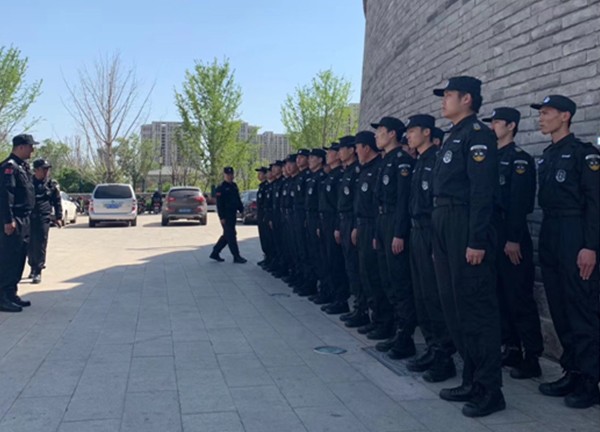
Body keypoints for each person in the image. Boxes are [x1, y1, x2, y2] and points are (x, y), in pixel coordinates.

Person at [431, 76, 504, 417]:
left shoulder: (478, 135)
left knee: (476, 308)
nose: (443, 100)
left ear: (467, 99)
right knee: (454, 306)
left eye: (448, 95)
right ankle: (471, 378)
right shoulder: (453, 136)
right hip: (444, 221)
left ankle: (490, 390)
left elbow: (481, 192)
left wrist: (476, 240)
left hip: (464, 223)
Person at [532, 95, 600, 409]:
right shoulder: (548, 155)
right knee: (559, 306)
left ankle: (590, 380)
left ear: (565, 116)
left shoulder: (584, 155)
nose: (541, 118)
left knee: (580, 306)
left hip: (575, 233)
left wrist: (590, 246)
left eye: (547, 113)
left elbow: (596, 204)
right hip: (551, 230)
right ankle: (572, 370)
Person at [482, 107, 544, 379]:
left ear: (511, 126)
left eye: (497, 122)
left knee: (518, 297)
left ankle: (532, 356)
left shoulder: (519, 159)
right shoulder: (490, 158)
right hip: (493, 236)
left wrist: (513, 238)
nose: (492, 127)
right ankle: (511, 347)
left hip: (511, 236)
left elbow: (520, 203)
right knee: (499, 295)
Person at [406, 114, 456, 382]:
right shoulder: (419, 161)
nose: (408, 136)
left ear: (427, 132)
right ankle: (431, 347)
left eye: (413, 131)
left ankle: (444, 355)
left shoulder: (437, 159)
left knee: (435, 296)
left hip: (431, 231)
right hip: (416, 231)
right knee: (422, 295)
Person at [371, 116, 416, 357]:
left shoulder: (402, 161)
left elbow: (403, 201)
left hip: (394, 223)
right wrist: (378, 233)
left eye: (380, 131)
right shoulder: (385, 161)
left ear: (392, 134)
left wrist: (399, 233)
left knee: (399, 281)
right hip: (382, 222)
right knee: (386, 278)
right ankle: (396, 331)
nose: (376, 136)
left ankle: (405, 336)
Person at [350, 131, 391, 331]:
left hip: (374, 225)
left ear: (366, 148)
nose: (356, 151)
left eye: (357, 147)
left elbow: (377, 204)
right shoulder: (364, 170)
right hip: (362, 225)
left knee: (375, 275)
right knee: (365, 273)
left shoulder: (379, 168)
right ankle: (372, 315)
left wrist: (376, 233)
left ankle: (383, 321)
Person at [0, 134, 37, 312]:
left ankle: (11, 293)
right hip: (14, 219)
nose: (32, 150)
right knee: (9, 258)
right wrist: (8, 220)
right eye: (30, 146)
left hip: (25, 219)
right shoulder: (9, 167)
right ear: (21, 147)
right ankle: (2, 297)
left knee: (20, 256)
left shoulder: (22, 167)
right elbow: (5, 196)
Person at [314, 144, 347, 306]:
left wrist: (337, 227)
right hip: (324, 220)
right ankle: (329, 293)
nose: (328, 155)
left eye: (331, 152)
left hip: (334, 220)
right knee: (326, 259)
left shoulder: (340, 176)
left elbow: (338, 205)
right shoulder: (330, 176)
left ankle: (340, 298)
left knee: (335, 261)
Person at [28, 159, 63, 284]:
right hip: (29, 217)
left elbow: (57, 201)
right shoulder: (28, 182)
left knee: (41, 243)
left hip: (43, 217)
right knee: (29, 244)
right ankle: (32, 266)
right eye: (44, 169)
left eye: (47, 169)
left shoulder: (51, 184)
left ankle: (38, 270)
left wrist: (58, 217)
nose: (46, 171)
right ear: (36, 170)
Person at [209, 167, 246, 263]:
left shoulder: (234, 186)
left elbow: (237, 199)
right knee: (231, 235)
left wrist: (241, 210)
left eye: (231, 174)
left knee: (227, 235)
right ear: (224, 175)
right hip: (226, 216)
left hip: (233, 214)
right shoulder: (221, 188)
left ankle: (215, 252)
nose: (230, 176)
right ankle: (236, 256)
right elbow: (219, 204)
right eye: (228, 174)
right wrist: (221, 217)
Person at [303, 149, 327, 297]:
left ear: (320, 160)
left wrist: (318, 223)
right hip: (309, 217)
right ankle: (314, 285)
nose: (309, 160)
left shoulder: (321, 177)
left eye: (312, 157)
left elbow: (320, 204)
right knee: (311, 252)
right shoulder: (311, 178)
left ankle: (324, 289)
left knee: (320, 255)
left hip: (318, 218)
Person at [255, 167, 269, 267]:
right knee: (263, 237)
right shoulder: (261, 186)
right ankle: (266, 256)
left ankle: (268, 257)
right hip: (260, 214)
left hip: (265, 214)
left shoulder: (267, 186)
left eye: (260, 173)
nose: (258, 175)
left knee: (267, 237)